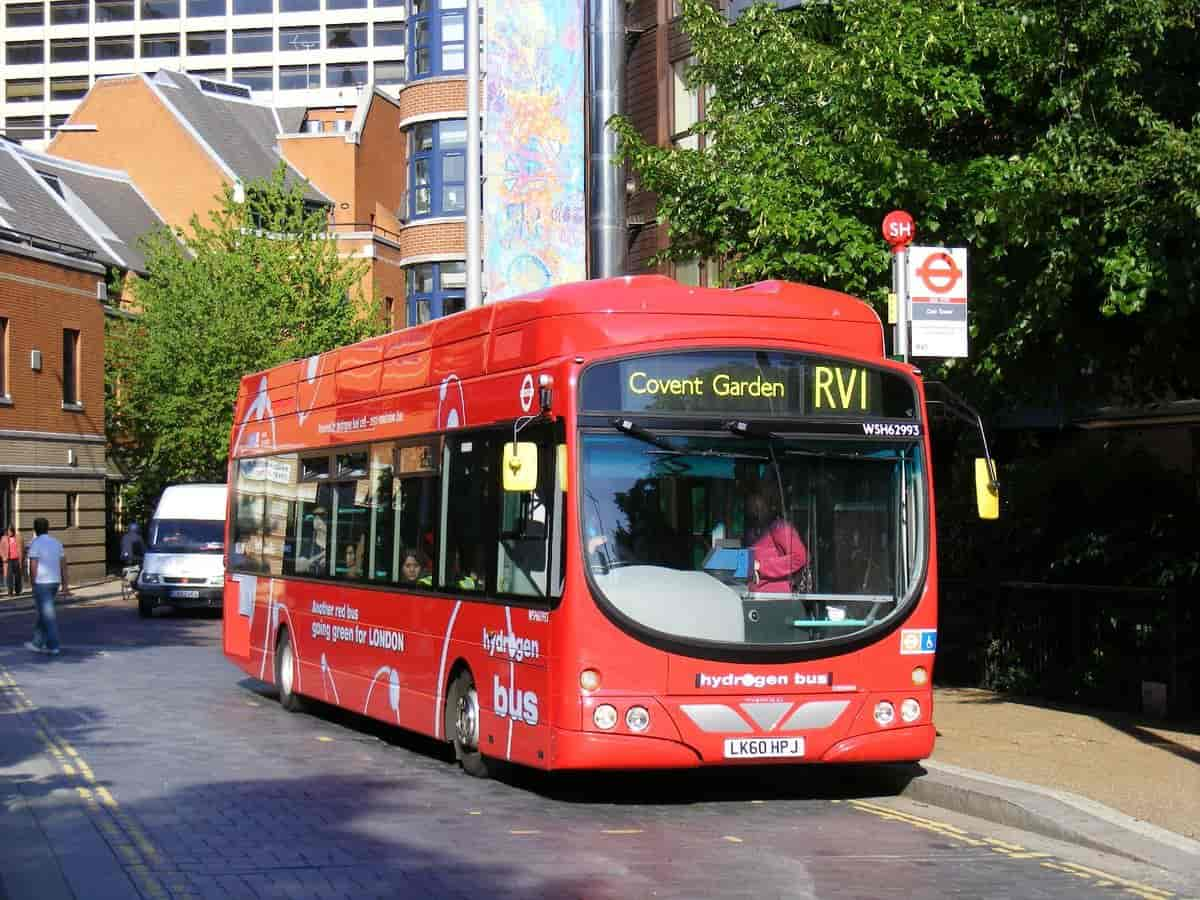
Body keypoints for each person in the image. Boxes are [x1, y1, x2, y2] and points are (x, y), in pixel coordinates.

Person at [746, 486, 808, 595]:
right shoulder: (754, 531)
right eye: (751, 501)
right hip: (755, 598)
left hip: (775, 600)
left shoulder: (780, 527)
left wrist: (761, 566)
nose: (754, 506)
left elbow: (800, 557)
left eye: (758, 501)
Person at [25, 517, 68, 656]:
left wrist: (32, 583)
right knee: (44, 613)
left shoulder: (35, 544)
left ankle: (53, 645)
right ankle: (37, 643)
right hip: (55, 582)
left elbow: (33, 565)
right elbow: (63, 565)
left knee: (48, 615)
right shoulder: (57, 543)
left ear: (35, 529)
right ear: (47, 528)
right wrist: (65, 585)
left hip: (41, 582)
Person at [2, 525, 23, 596]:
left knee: (18, 576)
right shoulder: (4, 538)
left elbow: (22, 548)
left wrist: (22, 558)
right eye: (8, 531)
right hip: (9, 560)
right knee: (9, 577)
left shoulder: (18, 538)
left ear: (13, 531)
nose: (9, 532)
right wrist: (3, 557)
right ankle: (10, 592)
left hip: (17, 559)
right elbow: (1, 549)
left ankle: (18, 591)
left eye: (11, 531)